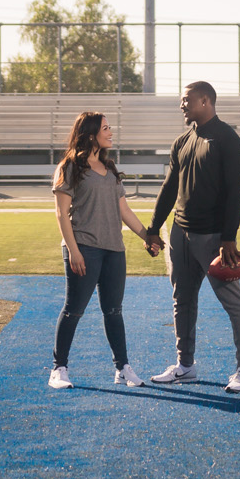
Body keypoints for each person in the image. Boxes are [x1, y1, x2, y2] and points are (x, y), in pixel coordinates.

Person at [142, 80, 240, 392]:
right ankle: (185, 365)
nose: (182, 105)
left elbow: (236, 192)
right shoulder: (181, 141)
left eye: (186, 100)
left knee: (233, 303)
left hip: (214, 237)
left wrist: (228, 237)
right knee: (183, 300)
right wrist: (153, 228)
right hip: (180, 233)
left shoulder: (228, 139)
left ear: (205, 101)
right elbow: (168, 189)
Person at [48, 110, 161, 389]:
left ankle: (122, 368)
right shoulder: (70, 167)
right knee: (74, 310)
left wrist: (147, 235)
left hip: (114, 250)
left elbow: (123, 209)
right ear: (90, 134)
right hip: (84, 248)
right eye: (106, 128)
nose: (111, 132)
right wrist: (73, 251)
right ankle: (58, 369)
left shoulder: (110, 169)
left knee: (114, 311)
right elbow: (61, 214)